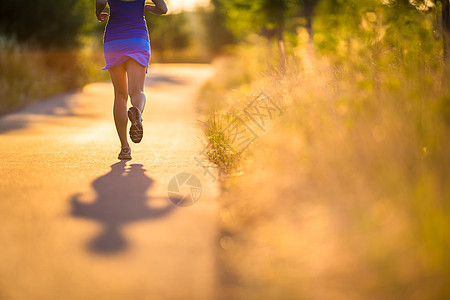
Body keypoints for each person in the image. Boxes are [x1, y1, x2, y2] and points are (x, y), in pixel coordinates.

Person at [96, 0, 168, 160]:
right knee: (137, 91)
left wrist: (98, 13)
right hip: (137, 39)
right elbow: (163, 9)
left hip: (114, 40)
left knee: (120, 96)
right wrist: (144, 7)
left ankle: (124, 148)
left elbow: (101, 1)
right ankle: (138, 114)